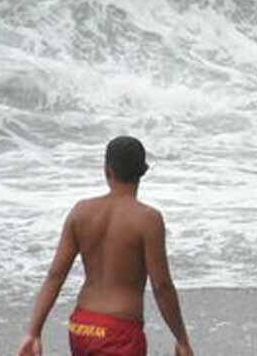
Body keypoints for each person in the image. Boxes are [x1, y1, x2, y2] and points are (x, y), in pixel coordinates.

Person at [15, 136, 194, 356]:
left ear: (106, 170)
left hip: (81, 325)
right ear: (142, 172)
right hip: (120, 331)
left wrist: (33, 332)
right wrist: (182, 340)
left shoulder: (81, 211)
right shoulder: (148, 220)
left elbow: (55, 275)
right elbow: (162, 286)